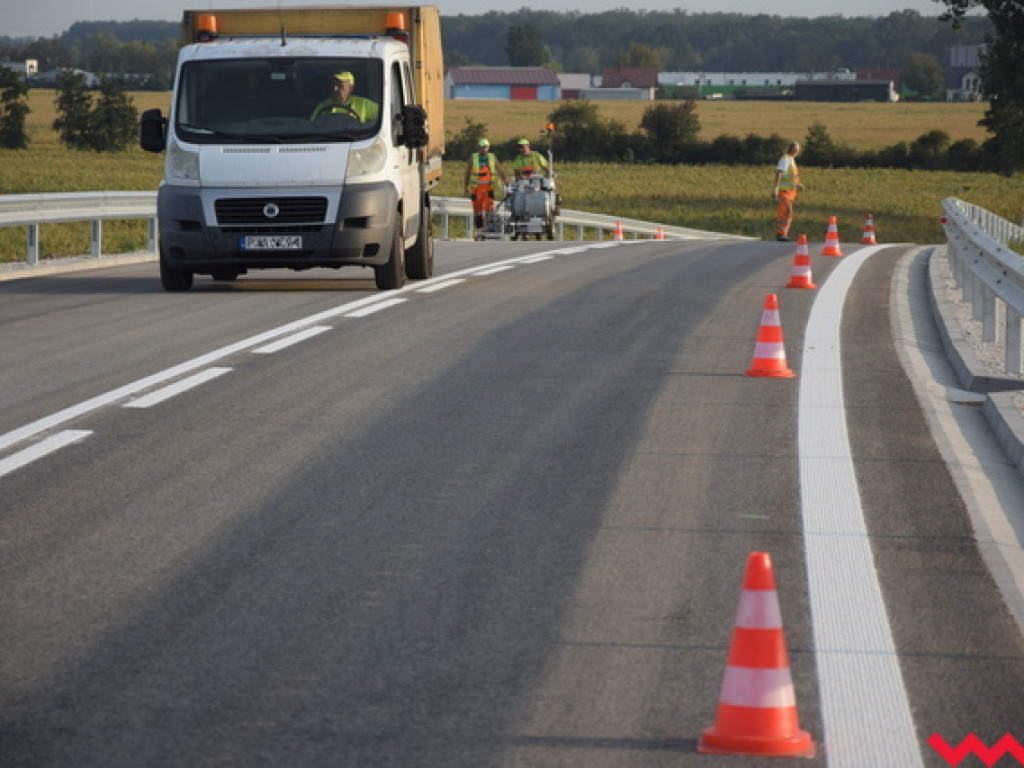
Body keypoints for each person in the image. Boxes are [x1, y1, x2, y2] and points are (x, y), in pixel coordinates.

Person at [463, 138, 508, 231]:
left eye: (486, 147)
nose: (484, 149)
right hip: (476, 190)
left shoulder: (492, 157)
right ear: (478, 148)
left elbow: (500, 170)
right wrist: (466, 187)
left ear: (489, 147)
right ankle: (479, 228)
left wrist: (506, 182)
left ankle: (488, 228)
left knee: (489, 209)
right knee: (477, 211)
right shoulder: (473, 157)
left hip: (488, 189)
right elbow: (467, 173)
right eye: (482, 147)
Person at [310, 71, 379, 123]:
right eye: (333, 84)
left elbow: (386, 119)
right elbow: (312, 127)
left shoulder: (364, 104)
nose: (335, 89)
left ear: (351, 88)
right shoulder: (323, 105)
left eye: (340, 86)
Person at [771, 141, 804, 242]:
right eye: (797, 150)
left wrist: (798, 184)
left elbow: (791, 177)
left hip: (790, 193)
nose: (797, 152)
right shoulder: (785, 160)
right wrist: (775, 188)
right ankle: (781, 234)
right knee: (786, 212)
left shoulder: (791, 160)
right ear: (794, 150)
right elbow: (779, 173)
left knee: (787, 212)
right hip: (783, 192)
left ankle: (782, 233)